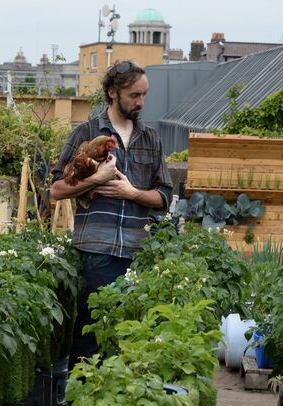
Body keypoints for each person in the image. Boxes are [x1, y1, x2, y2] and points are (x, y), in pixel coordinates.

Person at [50, 60, 173, 369]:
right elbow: (55, 189)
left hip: (138, 252)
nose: (140, 102)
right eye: (134, 95)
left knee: (131, 336)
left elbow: (165, 197)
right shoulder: (86, 132)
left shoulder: (151, 139)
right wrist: (96, 180)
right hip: (97, 250)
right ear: (112, 92)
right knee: (91, 334)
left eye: (144, 95)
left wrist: (132, 194)